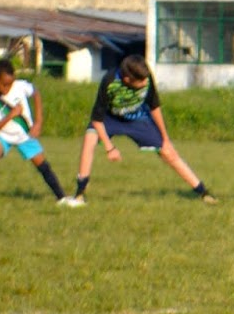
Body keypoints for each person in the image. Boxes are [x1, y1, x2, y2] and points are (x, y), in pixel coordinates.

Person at [74, 54, 216, 204]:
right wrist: (110, 148)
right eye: (141, 81)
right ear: (127, 79)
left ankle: (203, 192)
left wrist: (165, 138)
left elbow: (154, 107)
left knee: (169, 152)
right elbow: (97, 119)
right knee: (90, 138)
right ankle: (80, 193)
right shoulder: (109, 81)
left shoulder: (146, 77)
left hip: (139, 118)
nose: (145, 82)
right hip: (111, 118)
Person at [0, 59, 81, 208]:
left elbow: (36, 93)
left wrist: (38, 122)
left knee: (43, 165)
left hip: (24, 135)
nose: (8, 87)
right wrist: (11, 115)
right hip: (3, 135)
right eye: (4, 84)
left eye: (10, 83)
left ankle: (62, 198)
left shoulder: (20, 86)